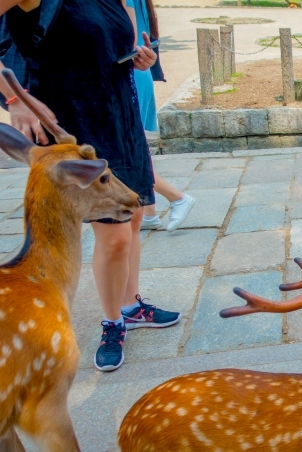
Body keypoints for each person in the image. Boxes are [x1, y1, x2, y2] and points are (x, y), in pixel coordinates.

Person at [0, 0, 181, 373]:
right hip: (72, 124)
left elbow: (111, 49)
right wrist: (15, 99)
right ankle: (113, 321)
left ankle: (131, 306)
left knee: (130, 219)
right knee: (114, 238)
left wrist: (139, 59)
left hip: (118, 115)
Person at [127, 0, 196, 232]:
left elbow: (125, 40)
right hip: (136, 74)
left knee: (128, 152)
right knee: (136, 146)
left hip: (129, 74)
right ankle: (149, 212)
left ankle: (177, 197)